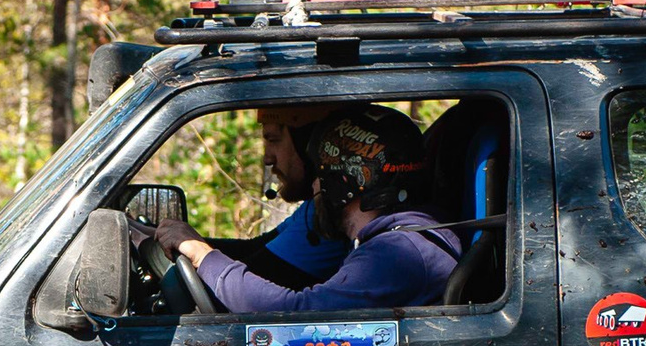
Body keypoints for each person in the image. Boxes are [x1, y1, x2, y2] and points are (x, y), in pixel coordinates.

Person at [143, 105, 457, 314]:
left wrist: (202, 256)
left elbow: (297, 314)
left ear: (343, 181)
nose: (315, 188)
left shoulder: (395, 252)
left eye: (321, 174)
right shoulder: (406, 238)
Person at [205, 105, 352, 290]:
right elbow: (256, 248)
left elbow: (246, 288)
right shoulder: (314, 207)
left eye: (274, 140)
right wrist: (188, 241)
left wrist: (199, 256)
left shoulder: (332, 212)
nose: (267, 159)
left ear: (309, 143)